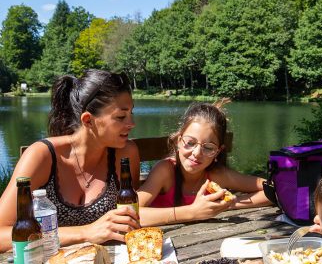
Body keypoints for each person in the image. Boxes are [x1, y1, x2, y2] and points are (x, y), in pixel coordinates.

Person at [0, 69, 140, 253]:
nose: (132, 123)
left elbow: (132, 216)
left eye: (131, 113)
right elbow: (2, 234)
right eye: (121, 117)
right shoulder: (42, 156)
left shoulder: (126, 155)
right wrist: (85, 233)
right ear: (88, 120)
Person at [138, 101, 271, 226]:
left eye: (208, 148)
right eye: (190, 143)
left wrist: (228, 204)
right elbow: (130, 211)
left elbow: (273, 189)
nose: (196, 153)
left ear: (218, 152)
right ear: (179, 141)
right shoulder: (165, 171)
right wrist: (192, 212)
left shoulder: (217, 175)